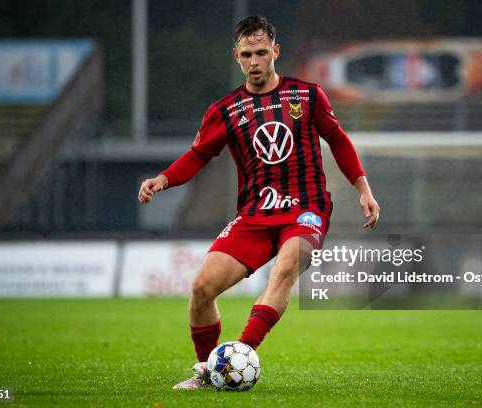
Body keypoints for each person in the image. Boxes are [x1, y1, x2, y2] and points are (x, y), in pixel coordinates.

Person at [138, 15, 380, 390]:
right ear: (236, 55)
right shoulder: (225, 110)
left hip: (306, 208)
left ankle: (241, 354)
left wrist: (363, 189)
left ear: (275, 52)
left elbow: (338, 140)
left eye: (262, 53)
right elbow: (198, 155)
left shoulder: (308, 95)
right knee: (202, 288)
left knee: (285, 268)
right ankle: (209, 371)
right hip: (255, 214)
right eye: (247, 54)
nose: (255, 61)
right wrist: (163, 179)